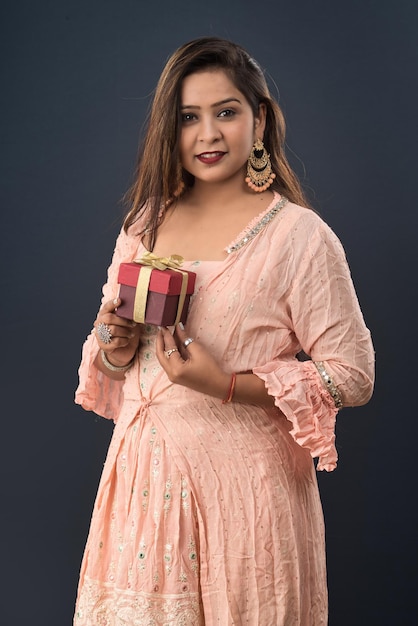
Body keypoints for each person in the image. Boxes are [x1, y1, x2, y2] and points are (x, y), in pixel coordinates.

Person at [73, 37, 374, 625]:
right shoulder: (144, 224)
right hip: (140, 496)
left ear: (260, 121)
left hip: (247, 503)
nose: (207, 133)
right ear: (169, 128)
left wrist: (228, 385)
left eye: (226, 112)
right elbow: (112, 363)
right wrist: (113, 345)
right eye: (188, 117)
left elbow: (353, 374)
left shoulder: (299, 237)